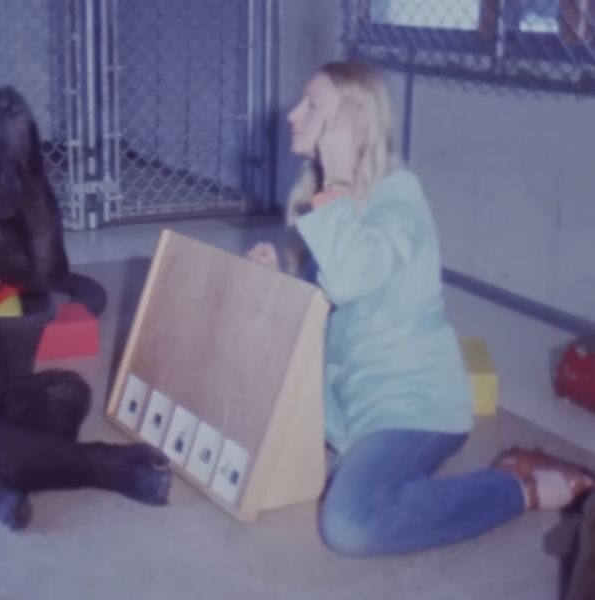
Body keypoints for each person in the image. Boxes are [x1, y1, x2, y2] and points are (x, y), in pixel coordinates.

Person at [247, 60, 594, 557]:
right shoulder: (326, 199)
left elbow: (349, 279)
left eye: (312, 105)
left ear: (353, 121)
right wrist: (282, 275)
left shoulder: (398, 198)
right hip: (353, 410)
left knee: (349, 523)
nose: (293, 115)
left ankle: (516, 486)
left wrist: (340, 179)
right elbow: (328, 301)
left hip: (413, 407)